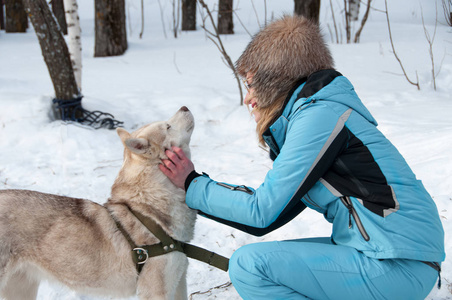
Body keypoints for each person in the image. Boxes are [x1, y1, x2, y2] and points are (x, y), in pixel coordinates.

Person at [159, 15, 445, 300]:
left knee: (250, 266)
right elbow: (266, 218)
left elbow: (260, 211)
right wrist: (191, 187)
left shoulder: (320, 116)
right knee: (260, 264)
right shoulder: (319, 114)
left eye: (250, 84)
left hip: (396, 263)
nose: (247, 98)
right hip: (392, 256)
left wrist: (192, 184)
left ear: (274, 80)